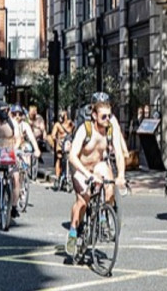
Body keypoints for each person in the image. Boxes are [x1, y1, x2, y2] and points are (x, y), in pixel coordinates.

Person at [65, 96, 127, 257]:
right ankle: (73, 231)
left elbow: (119, 154)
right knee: (83, 199)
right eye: (103, 116)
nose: (107, 119)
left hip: (98, 166)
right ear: (94, 115)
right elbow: (72, 156)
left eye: (109, 116)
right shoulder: (85, 129)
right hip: (80, 167)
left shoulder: (111, 128)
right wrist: (87, 175)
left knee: (110, 186)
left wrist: (121, 175)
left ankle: (101, 215)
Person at [49, 109, 75, 180]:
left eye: (62, 115)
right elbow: (53, 135)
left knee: (71, 158)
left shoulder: (70, 124)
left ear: (66, 116)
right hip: (60, 144)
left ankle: (69, 175)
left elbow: (74, 132)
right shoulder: (57, 125)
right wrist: (57, 140)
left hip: (68, 143)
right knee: (59, 158)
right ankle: (57, 177)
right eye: (60, 116)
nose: (61, 117)